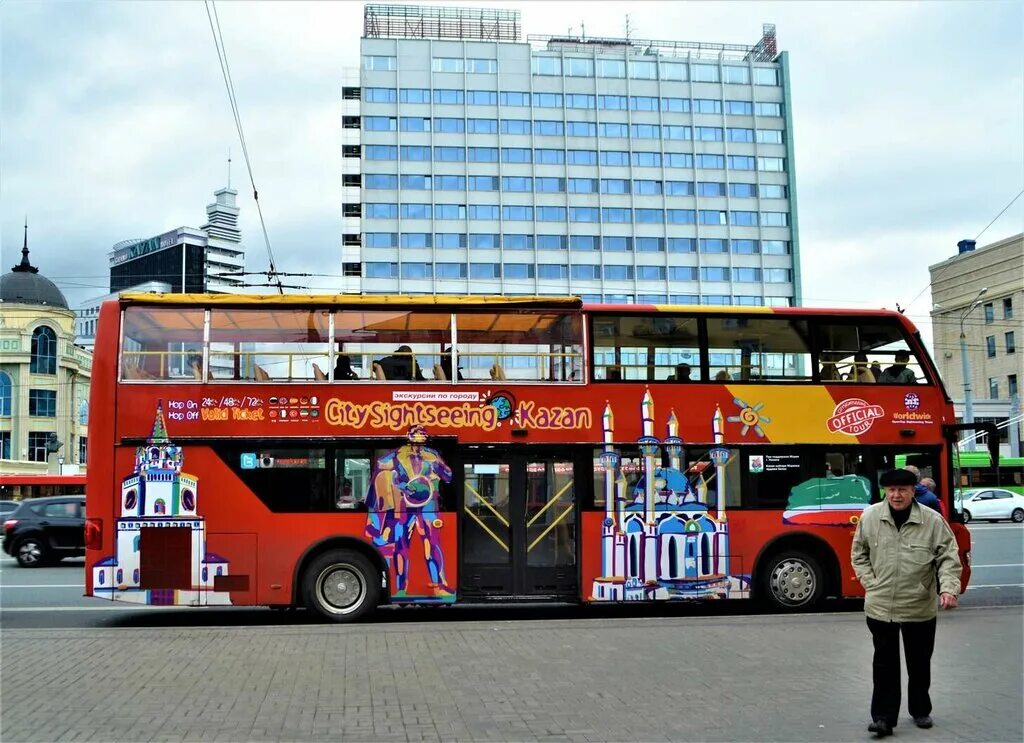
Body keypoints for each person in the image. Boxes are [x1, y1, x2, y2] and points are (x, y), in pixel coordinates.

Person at [851, 468, 961, 738]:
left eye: (902, 490)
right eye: (891, 490)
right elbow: (859, 554)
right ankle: (883, 718)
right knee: (884, 664)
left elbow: (948, 557)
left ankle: (920, 709)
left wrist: (948, 589)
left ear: (914, 492)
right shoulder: (870, 517)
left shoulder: (932, 521)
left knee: (919, 662)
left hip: (918, 604)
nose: (896, 495)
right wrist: (871, 583)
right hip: (881, 605)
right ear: (885, 492)